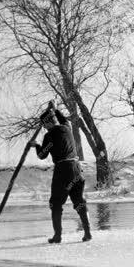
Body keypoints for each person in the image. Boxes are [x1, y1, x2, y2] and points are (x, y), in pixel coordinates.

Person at [28, 102, 92, 243]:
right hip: (76, 168)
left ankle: (58, 236)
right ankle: (88, 232)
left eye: (44, 125)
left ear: (48, 124)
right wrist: (55, 110)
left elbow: (42, 155)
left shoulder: (49, 136)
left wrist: (36, 145)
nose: (44, 128)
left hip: (62, 170)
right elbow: (62, 119)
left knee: (55, 204)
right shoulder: (67, 128)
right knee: (79, 201)